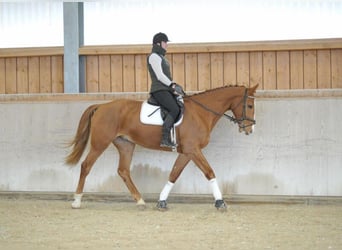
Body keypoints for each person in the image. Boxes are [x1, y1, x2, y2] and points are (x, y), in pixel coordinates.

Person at [147, 32, 184, 148]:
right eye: (165, 42)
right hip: (159, 90)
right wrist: (172, 84)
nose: (166, 45)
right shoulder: (154, 56)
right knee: (174, 109)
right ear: (158, 43)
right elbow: (159, 76)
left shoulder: (161, 57)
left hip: (165, 89)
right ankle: (164, 138)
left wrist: (174, 88)